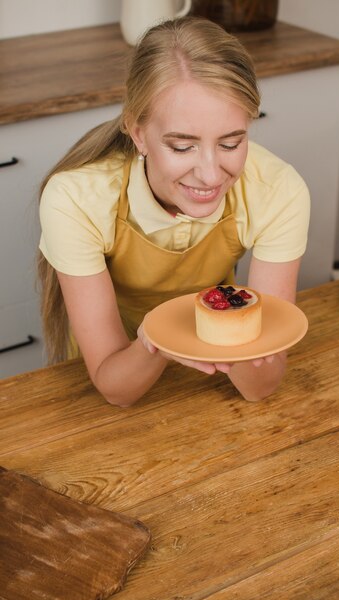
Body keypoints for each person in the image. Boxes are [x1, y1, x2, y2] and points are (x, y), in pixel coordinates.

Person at [38, 16, 310, 407]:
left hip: (213, 386)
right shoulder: (76, 199)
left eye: (231, 143)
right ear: (137, 132)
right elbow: (116, 388)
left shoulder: (278, 190)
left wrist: (243, 346)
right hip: (119, 372)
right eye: (183, 147)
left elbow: (259, 386)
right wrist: (156, 343)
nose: (211, 173)